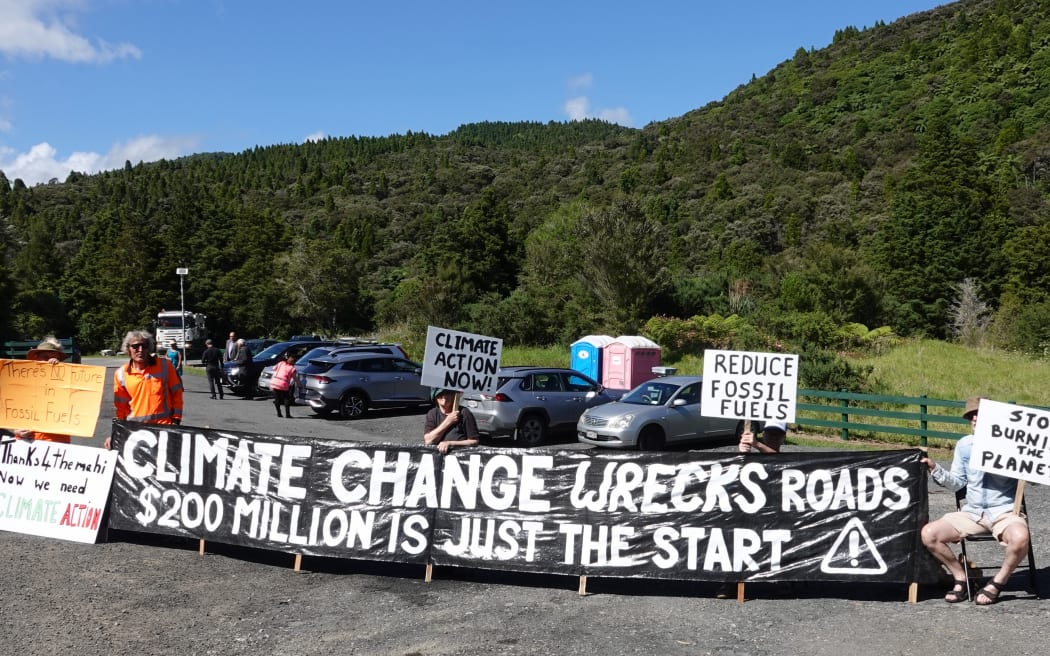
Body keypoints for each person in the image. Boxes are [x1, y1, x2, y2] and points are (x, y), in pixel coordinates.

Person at [921, 396, 1031, 605]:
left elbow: (1033, 477)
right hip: (971, 512)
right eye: (971, 415)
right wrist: (935, 469)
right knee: (929, 534)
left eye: (979, 414)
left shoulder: (1014, 444)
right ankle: (961, 577)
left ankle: (997, 582)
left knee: (1021, 537)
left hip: (1004, 512)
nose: (974, 418)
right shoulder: (965, 445)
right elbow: (957, 483)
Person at [717, 420, 789, 599]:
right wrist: (742, 452)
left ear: (783, 437)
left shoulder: (787, 460)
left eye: (776, 434)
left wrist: (757, 444)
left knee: (778, 543)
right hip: (747, 510)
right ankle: (730, 583)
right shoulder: (752, 453)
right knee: (736, 541)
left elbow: (776, 457)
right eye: (769, 433)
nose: (772, 437)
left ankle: (779, 581)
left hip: (774, 514)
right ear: (763, 433)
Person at [105, 330, 183, 449]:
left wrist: (176, 422)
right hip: (136, 432)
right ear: (128, 349)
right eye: (135, 346)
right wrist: (115, 433)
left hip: (164, 429)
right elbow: (121, 409)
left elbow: (177, 394)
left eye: (144, 346)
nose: (140, 350)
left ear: (149, 348)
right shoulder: (121, 374)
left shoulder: (165, 366)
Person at [11, 337, 72, 443]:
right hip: (26, 440)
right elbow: (8, 409)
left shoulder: (67, 382)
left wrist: (58, 372)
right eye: (45, 357)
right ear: (36, 358)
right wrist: (14, 430)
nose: (50, 361)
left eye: (55, 358)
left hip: (56, 441)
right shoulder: (20, 379)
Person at [423, 388, 479, 454]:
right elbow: (428, 441)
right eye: (440, 394)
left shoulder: (464, 412)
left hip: (460, 457)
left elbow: (474, 441)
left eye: (447, 393)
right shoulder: (432, 414)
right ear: (435, 397)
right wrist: (448, 421)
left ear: (453, 395)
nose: (444, 396)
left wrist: (450, 444)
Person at [270, 352, 298, 418]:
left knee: (277, 400)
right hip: (284, 385)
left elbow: (273, 368)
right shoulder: (292, 368)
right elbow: (295, 378)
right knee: (286, 399)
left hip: (275, 383)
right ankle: (287, 414)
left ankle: (279, 413)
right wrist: (300, 385)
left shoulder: (281, 363)